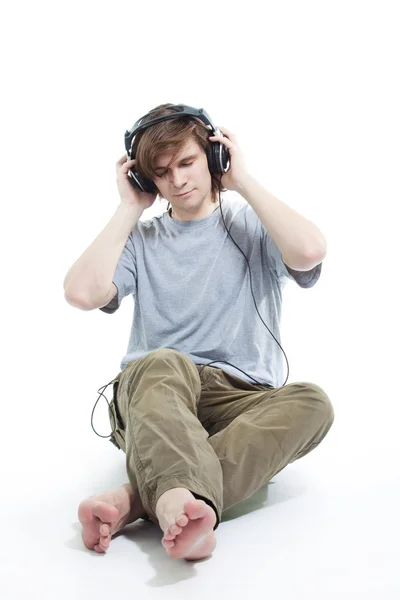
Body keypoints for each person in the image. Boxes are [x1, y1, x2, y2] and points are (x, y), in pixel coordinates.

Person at [63, 103, 334, 561]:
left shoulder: (252, 225)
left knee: (313, 403)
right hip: (158, 394)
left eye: (187, 162)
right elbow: (81, 293)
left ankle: (138, 499)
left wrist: (242, 180)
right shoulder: (142, 241)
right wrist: (129, 207)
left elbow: (309, 251)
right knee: (165, 360)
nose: (178, 180)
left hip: (240, 400)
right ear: (150, 181)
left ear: (213, 159)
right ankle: (180, 501)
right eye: (162, 172)